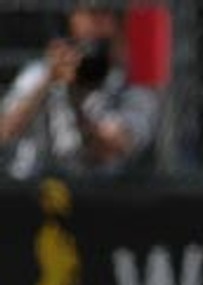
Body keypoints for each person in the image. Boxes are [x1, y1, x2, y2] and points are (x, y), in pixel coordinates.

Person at [0, 5, 160, 180]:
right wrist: (47, 81)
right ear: (73, 20)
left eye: (104, 14)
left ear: (116, 25)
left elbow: (110, 149)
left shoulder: (131, 87)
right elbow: (5, 132)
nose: (95, 24)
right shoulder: (40, 73)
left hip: (96, 193)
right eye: (89, 14)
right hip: (33, 186)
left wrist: (75, 100)